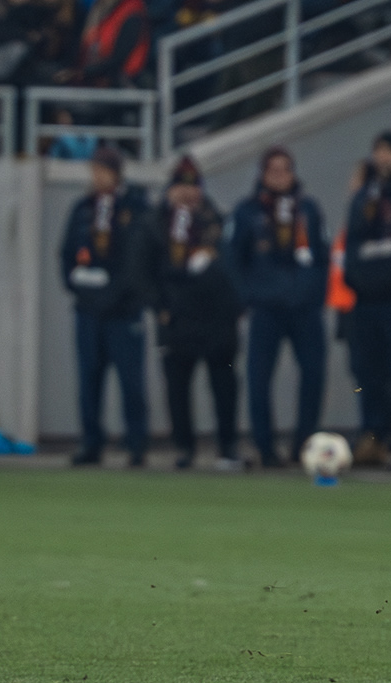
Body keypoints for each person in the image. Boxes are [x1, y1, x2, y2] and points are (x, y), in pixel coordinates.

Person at [228, 146, 328, 467]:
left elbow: (323, 256)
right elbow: (233, 259)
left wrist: (314, 293)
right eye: (274, 170)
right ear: (263, 174)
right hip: (266, 307)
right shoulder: (247, 212)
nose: (280, 176)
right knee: (259, 378)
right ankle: (265, 447)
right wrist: (247, 296)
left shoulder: (308, 209)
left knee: (313, 374)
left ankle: (304, 443)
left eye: (286, 170)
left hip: (304, 307)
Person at [143, 156, 242, 470]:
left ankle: (227, 446)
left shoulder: (217, 221)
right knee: (177, 389)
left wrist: (235, 307)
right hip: (176, 318)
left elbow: (234, 267)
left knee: (224, 385)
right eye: (181, 187)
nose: (187, 194)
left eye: (193, 187)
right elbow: (142, 270)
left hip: (217, 319)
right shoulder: (155, 223)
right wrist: (160, 307)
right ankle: (184, 447)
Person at [59, 145, 150, 466]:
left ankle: (136, 442)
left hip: (123, 310)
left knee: (131, 380)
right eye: (94, 171)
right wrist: (77, 283)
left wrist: (115, 292)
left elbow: (137, 258)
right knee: (89, 380)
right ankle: (91, 440)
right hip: (88, 310)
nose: (97, 177)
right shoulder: (83, 209)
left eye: (103, 171)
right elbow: (67, 253)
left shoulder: (135, 208)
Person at [341, 130, 391, 465]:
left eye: (389, 151)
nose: (383, 158)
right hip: (365, 301)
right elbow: (352, 247)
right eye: (378, 151)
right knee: (367, 374)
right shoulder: (364, 198)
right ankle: (373, 434)